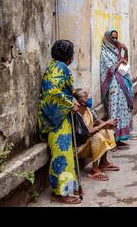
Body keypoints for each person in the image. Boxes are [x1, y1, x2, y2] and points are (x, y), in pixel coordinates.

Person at [38, 40, 81, 204]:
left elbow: (59, 90)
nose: (73, 55)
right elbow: (53, 92)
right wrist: (70, 103)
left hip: (57, 117)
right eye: (72, 52)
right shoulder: (61, 68)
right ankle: (60, 193)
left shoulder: (53, 66)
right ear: (68, 55)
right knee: (62, 156)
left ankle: (69, 187)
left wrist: (72, 100)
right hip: (57, 120)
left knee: (67, 154)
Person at [73, 89, 119, 181]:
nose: (89, 97)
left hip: (86, 142)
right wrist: (105, 124)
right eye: (87, 96)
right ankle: (94, 169)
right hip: (79, 147)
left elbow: (98, 121)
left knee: (106, 131)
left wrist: (109, 125)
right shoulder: (76, 115)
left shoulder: (89, 110)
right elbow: (87, 133)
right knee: (97, 136)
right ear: (82, 101)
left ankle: (103, 162)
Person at [100, 29, 134, 147]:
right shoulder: (105, 52)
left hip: (121, 82)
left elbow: (125, 61)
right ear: (108, 38)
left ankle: (119, 138)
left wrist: (126, 50)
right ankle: (112, 139)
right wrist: (120, 61)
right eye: (112, 38)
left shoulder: (116, 49)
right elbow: (110, 69)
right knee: (114, 110)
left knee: (123, 109)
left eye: (116, 38)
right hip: (113, 84)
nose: (115, 40)